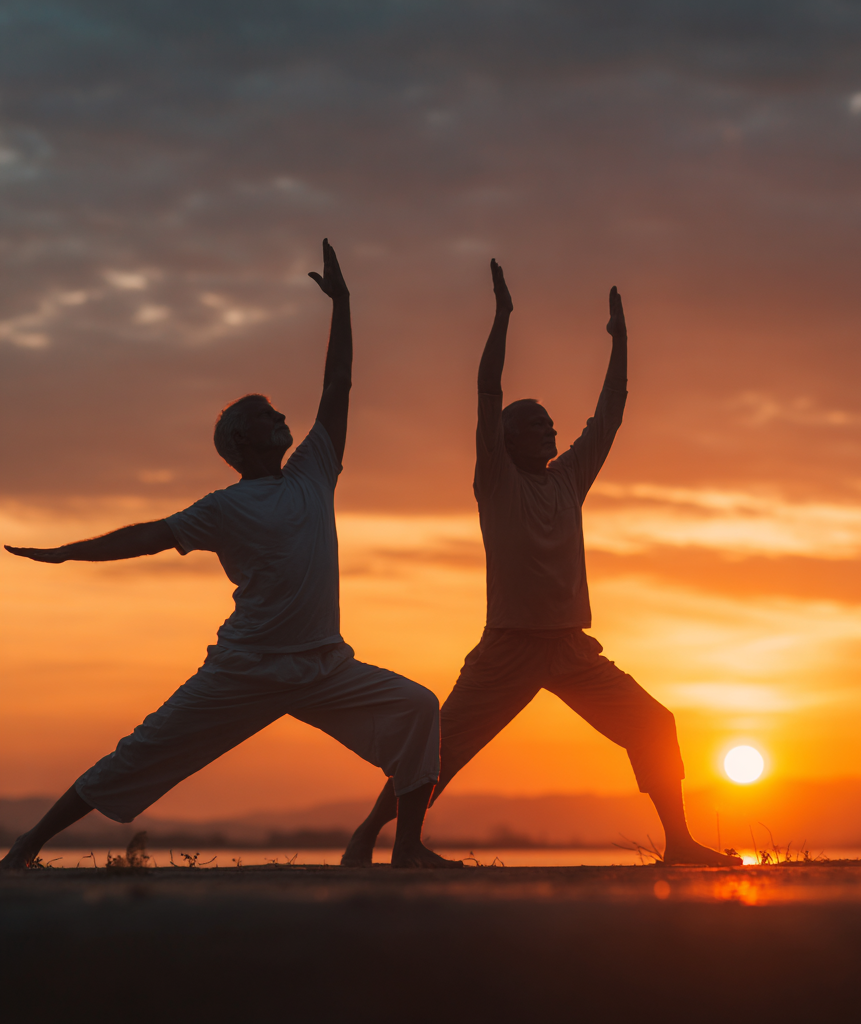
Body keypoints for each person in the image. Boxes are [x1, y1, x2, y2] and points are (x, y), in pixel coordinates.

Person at [1, 239, 461, 871]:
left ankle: (405, 846)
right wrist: (67, 554)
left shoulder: (312, 473)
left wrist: (343, 305)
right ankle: (27, 845)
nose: (283, 419)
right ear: (243, 441)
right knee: (140, 753)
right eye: (269, 416)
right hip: (245, 667)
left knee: (416, 708)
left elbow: (338, 385)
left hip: (324, 666)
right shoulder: (222, 508)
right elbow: (146, 535)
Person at [343, 260, 740, 867]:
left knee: (655, 725)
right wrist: (502, 319)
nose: (550, 430)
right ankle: (379, 838)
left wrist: (621, 343)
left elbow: (610, 414)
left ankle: (679, 843)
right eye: (535, 423)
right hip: (509, 646)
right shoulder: (496, 479)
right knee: (440, 749)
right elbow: (486, 393)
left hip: (571, 647)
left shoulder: (567, 481)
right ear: (505, 438)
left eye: (551, 424)